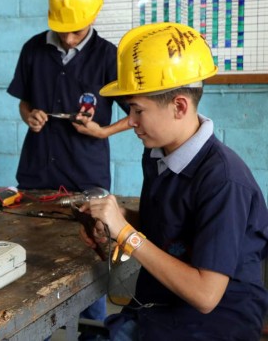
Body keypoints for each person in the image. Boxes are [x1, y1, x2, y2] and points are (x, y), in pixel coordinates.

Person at [81, 22, 268, 340]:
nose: (132, 123)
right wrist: (120, 221)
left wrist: (127, 234)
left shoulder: (223, 181)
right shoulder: (158, 154)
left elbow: (206, 296)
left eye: (138, 111)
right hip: (161, 305)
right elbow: (174, 226)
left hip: (215, 323)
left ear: (180, 106)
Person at [6, 0, 131, 338]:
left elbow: (137, 113)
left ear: (92, 18)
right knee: (33, 260)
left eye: (76, 31)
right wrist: (30, 115)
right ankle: (36, 332)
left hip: (86, 174)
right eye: (63, 30)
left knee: (87, 261)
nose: (68, 37)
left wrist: (104, 130)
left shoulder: (108, 56)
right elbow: (24, 101)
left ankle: (88, 332)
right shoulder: (33, 48)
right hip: (37, 172)